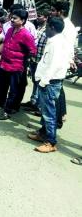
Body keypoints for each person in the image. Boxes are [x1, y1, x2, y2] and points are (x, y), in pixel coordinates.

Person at [0, 9, 36, 120]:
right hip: (3, 64)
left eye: (15, 18)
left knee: (13, 90)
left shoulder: (26, 35)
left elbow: (33, 51)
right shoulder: (9, 30)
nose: (12, 20)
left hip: (16, 67)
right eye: (12, 17)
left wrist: (23, 61)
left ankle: (7, 111)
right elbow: (5, 44)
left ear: (23, 20)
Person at [27, 17, 68, 153]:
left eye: (47, 27)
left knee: (49, 113)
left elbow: (54, 65)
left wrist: (44, 81)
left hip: (49, 82)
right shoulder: (56, 41)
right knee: (45, 111)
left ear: (52, 28)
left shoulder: (56, 43)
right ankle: (43, 133)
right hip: (47, 80)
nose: (45, 30)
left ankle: (51, 142)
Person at [51, 1, 78, 126]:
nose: (51, 13)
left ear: (60, 12)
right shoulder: (64, 24)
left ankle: (58, 118)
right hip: (60, 61)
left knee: (57, 91)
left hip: (60, 62)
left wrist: (69, 61)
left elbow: (67, 47)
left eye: (53, 10)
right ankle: (61, 115)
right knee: (59, 90)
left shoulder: (66, 26)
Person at [22, 10, 49, 111]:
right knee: (34, 81)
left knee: (40, 82)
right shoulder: (38, 28)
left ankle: (38, 105)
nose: (38, 18)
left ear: (46, 18)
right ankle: (33, 100)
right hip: (34, 59)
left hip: (41, 60)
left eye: (40, 16)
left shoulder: (48, 29)